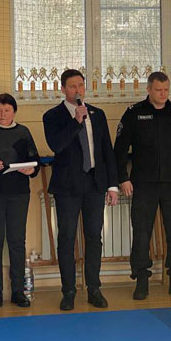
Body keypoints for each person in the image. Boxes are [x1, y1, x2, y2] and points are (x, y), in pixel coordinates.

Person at [115, 71, 171, 301]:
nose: (163, 94)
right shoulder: (134, 113)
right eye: (158, 90)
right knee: (142, 233)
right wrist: (123, 178)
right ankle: (141, 279)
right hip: (144, 183)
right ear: (149, 90)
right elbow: (120, 149)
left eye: (166, 90)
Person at [43, 69, 119, 311]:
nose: (78, 90)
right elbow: (57, 145)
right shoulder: (52, 116)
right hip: (67, 186)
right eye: (72, 86)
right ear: (63, 89)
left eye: (81, 85)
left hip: (94, 183)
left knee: (94, 236)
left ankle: (94, 288)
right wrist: (76, 121)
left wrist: (113, 185)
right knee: (66, 238)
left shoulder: (97, 114)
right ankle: (68, 290)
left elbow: (106, 150)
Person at [0, 93, 39, 308]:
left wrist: (30, 169)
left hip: (18, 193)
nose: (2, 114)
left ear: (14, 111)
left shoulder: (23, 132)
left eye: (7, 110)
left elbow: (35, 162)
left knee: (16, 241)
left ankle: (18, 291)